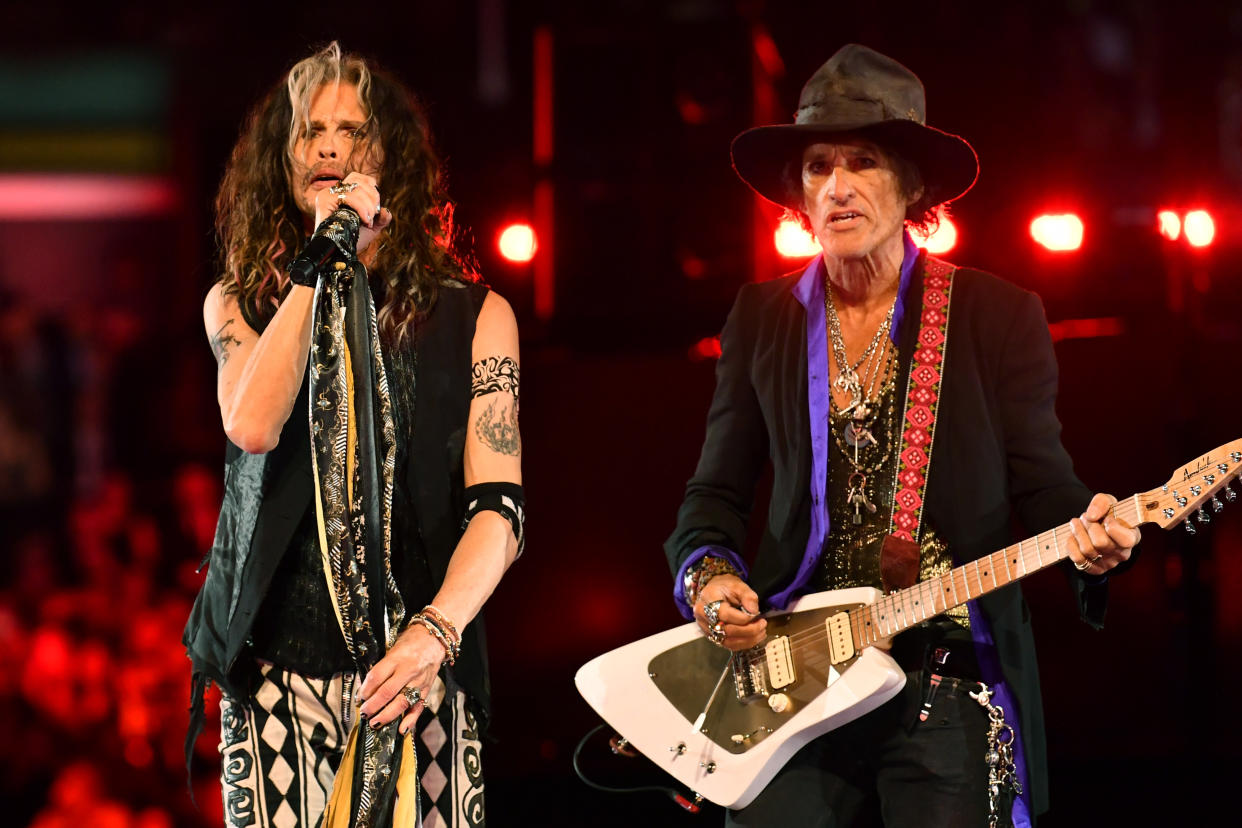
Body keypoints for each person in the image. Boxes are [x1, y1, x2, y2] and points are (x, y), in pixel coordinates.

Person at [665, 44, 1139, 828]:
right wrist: (709, 580)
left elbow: (1045, 483)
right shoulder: (761, 318)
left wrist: (1094, 529)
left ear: (913, 183)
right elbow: (713, 494)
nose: (838, 187)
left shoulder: (996, 314)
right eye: (818, 165)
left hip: (943, 665)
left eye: (864, 161)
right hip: (798, 675)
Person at [183, 42, 524, 828]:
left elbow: (499, 509)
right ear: (284, 155)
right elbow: (253, 424)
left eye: (352, 130)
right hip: (279, 671)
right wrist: (326, 259)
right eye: (311, 131)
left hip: (422, 668)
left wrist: (435, 635)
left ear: (389, 155)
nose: (330, 147)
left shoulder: (475, 315)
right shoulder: (237, 303)